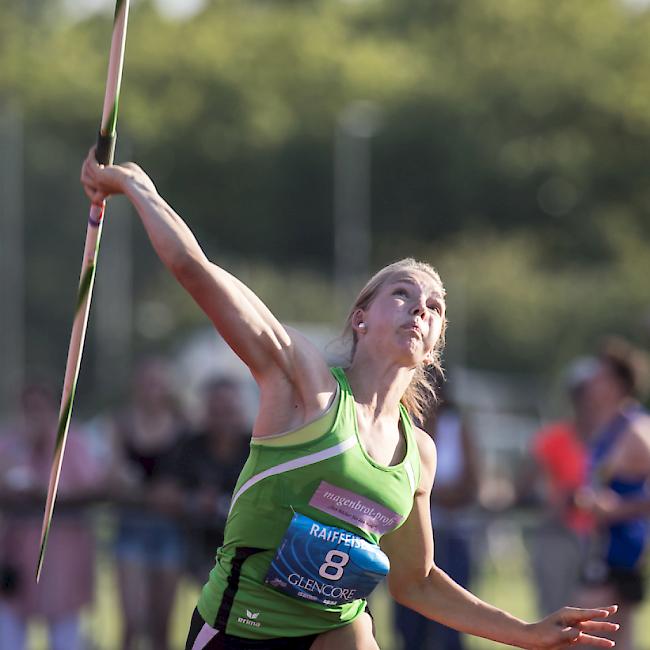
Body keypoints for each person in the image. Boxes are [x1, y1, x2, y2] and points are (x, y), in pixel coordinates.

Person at [80, 148, 619, 650]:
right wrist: (134, 184)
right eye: (402, 293)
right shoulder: (305, 386)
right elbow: (196, 271)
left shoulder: (419, 455)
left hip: (330, 633)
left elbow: (418, 581)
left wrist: (525, 633)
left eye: (433, 307)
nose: (419, 309)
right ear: (361, 318)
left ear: (435, 345)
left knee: (357, 627)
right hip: (239, 629)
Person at [0, 383, 101, 650]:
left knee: (65, 639)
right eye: (29, 407)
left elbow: (90, 486)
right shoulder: (10, 443)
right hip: (15, 560)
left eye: (41, 407)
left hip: (64, 558)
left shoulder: (75, 442)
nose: (35, 415)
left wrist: (44, 492)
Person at [573, 338, 650, 650]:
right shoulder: (607, 427)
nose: (591, 382)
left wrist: (615, 509)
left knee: (581, 633)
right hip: (603, 545)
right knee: (617, 637)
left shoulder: (636, 430)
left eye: (600, 376)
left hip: (624, 549)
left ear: (618, 385)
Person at [106, 357, 188, 650]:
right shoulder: (122, 424)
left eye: (158, 383)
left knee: (161, 625)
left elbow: (184, 485)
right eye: (147, 382)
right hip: (131, 528)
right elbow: (113, 480)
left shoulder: (182, 427)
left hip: (170, 531)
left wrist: (146, 492)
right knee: (132, 621)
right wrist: (152, 495)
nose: (152, 389)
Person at [394, 385, 479, 649]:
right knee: (410, 625)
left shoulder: (457, 427)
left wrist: (435, 494)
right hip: (409, 535)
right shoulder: (402, 424)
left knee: (450, 621)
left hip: (451, 530)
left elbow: (472, 482)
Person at [524, 358, 598, 615]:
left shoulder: (617, 438)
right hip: (558, 535)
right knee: (556, 616)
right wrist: (555, 500)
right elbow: (526, 487)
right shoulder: (552, 439)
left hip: (601, 538)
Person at [169, 376, 251, 583]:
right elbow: (163, 492)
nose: (223, 419)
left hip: (247, 547)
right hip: (199, 544)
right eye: (216, 412)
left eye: (229, 411)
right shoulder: (190, 446)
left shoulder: (257, 447)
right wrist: (194, 500)